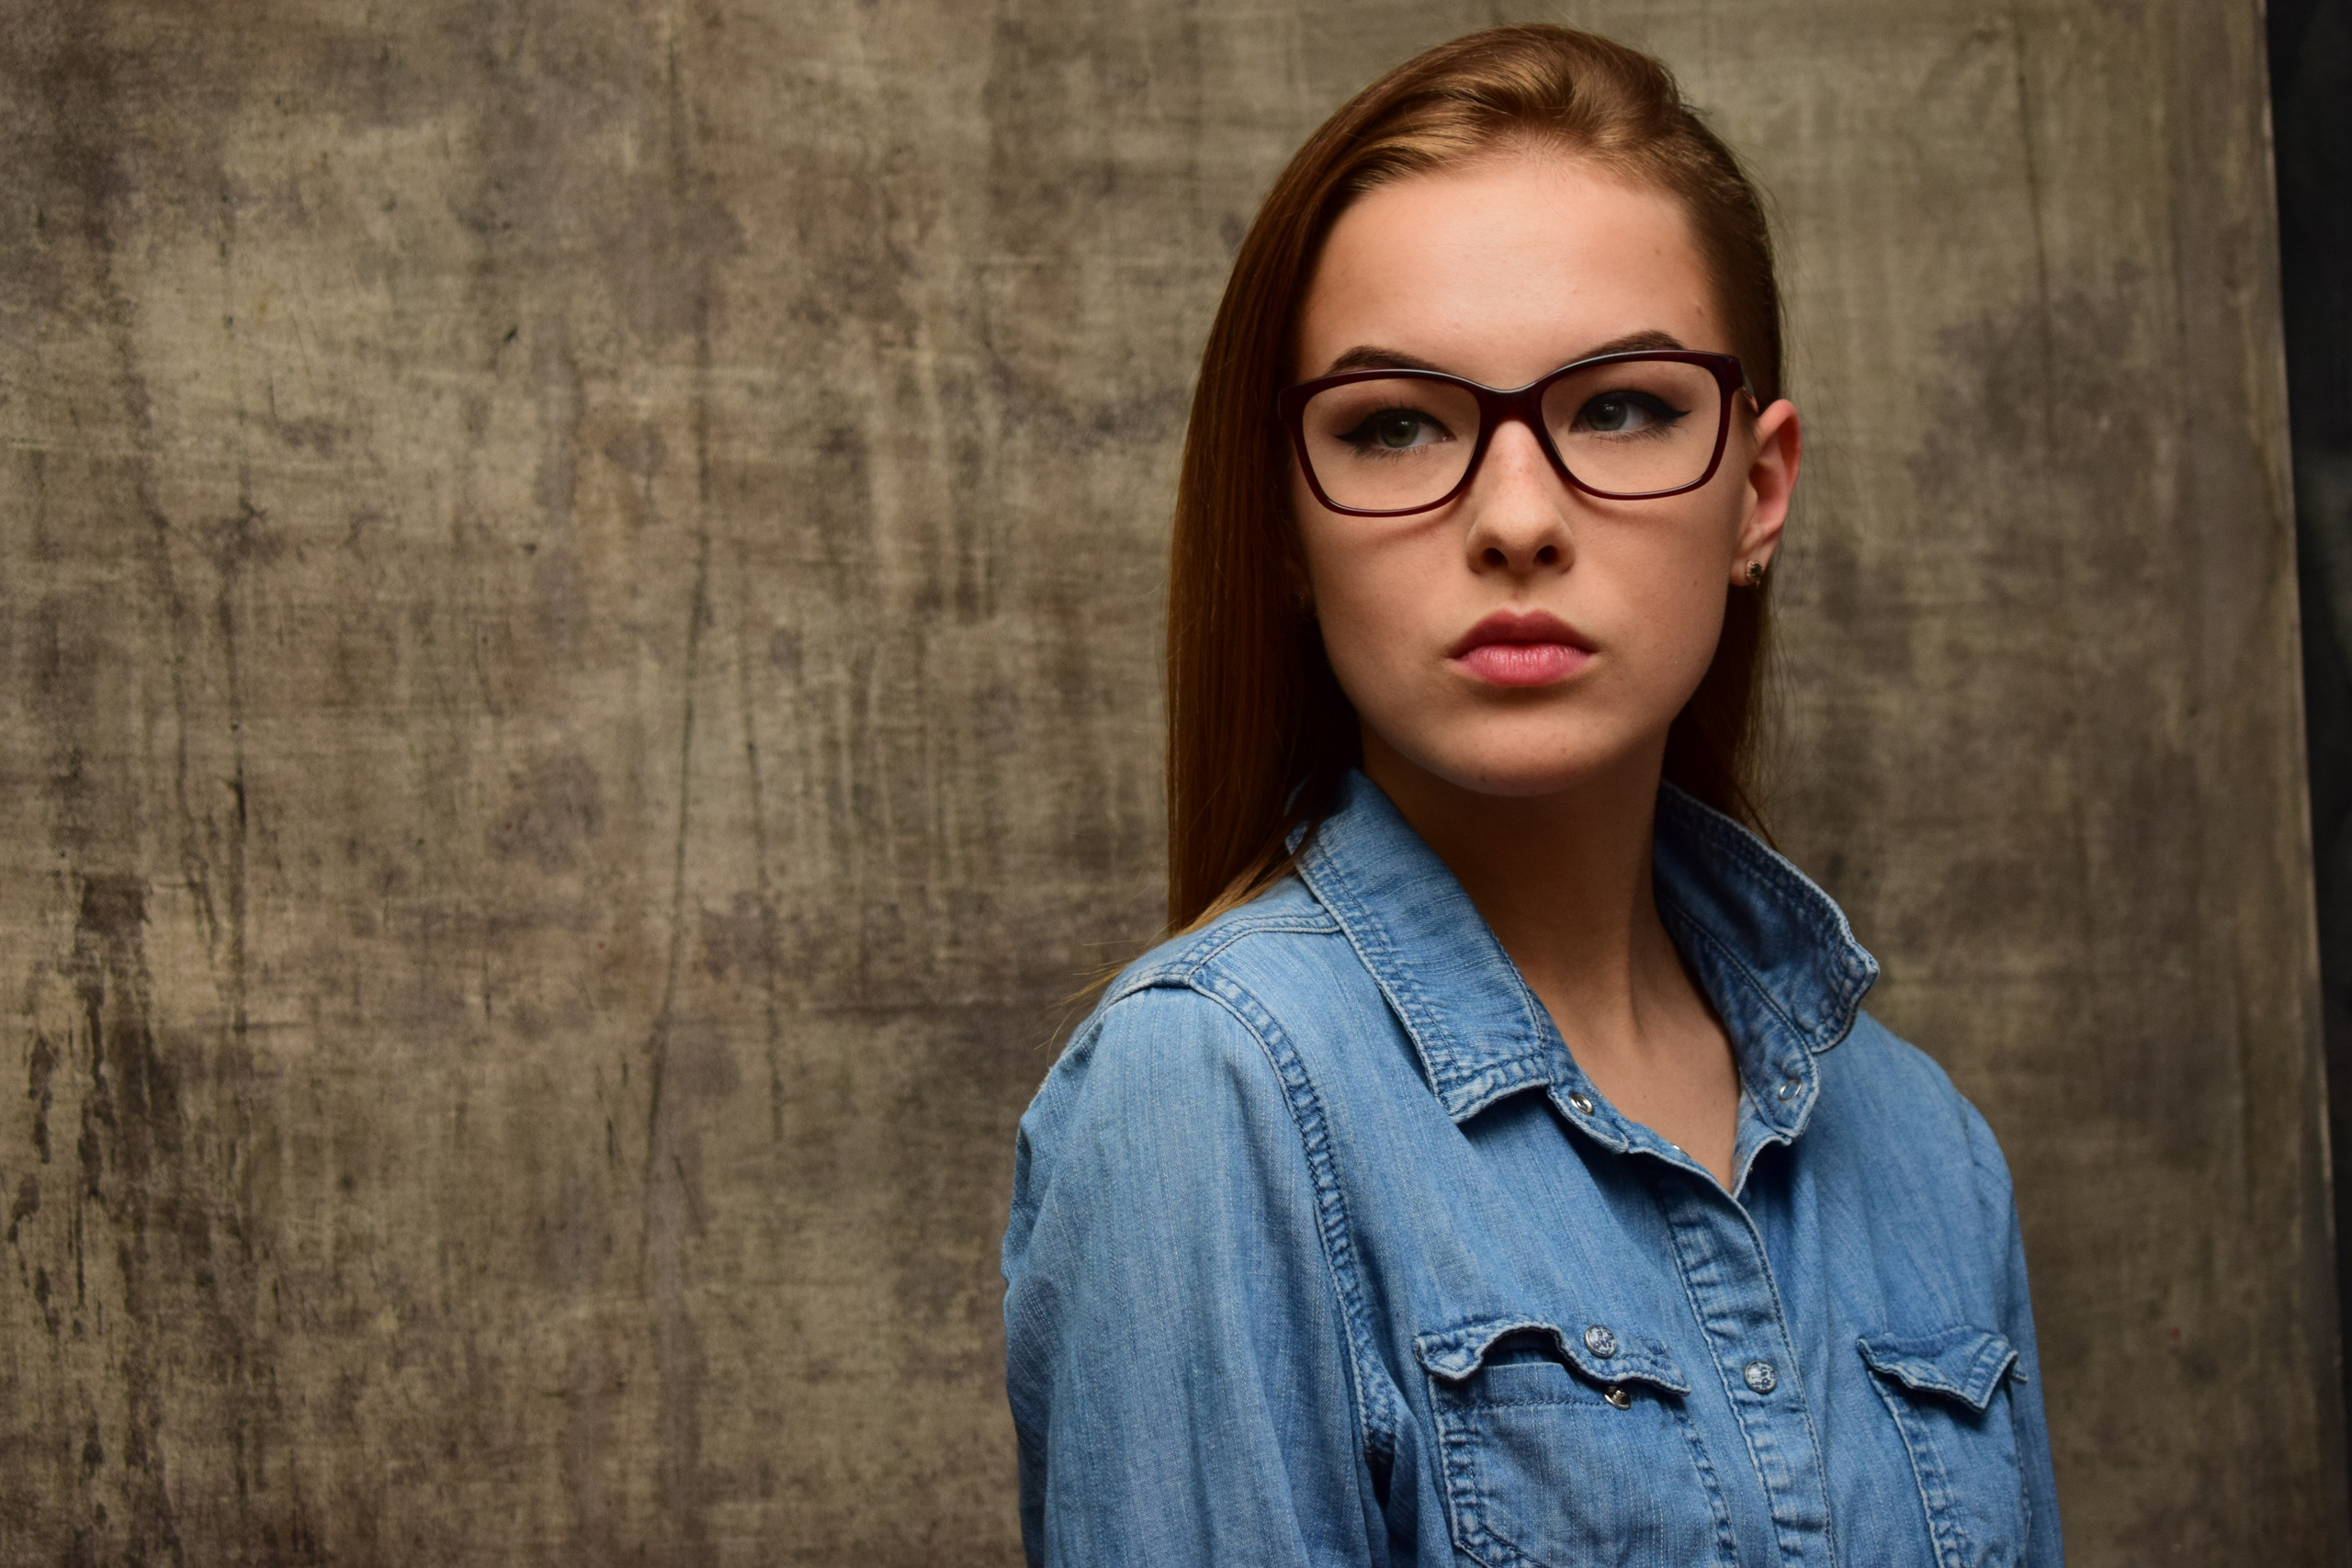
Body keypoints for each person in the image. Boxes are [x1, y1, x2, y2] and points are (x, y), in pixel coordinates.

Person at [1001, 24, 2062, 1568]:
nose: (1514, 518)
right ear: (1287, 523)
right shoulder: (1209, 1097)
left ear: (1757, 493)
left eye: (1621, 407)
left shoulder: (1928, 1153)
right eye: (1395, 425)